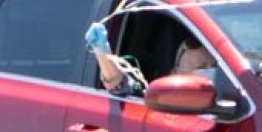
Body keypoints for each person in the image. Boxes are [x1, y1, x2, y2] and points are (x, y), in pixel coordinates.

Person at [85, 23, 214, 98]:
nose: (210, 76)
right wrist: (102, 50)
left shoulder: (228, 104)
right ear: (175, 73)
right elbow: (119, 85)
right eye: (201, 69)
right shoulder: (161, 102)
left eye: (214, 67)